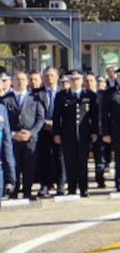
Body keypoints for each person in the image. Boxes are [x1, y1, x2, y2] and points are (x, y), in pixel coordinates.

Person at [53, 70, 99, 197]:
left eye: (77, 79)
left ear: (81, 80)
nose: (75, 81)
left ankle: (84, 188)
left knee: (83, 162)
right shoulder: (62, 96)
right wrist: (56, 133)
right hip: (68, 134)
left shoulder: (90, 95)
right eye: (72, 79)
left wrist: (94, 131)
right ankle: (72, 188)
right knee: (69, 162)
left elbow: (94, 116)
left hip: (84, 134)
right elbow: (57, 116)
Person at [4, 72, 45, 199]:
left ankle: (27, 191)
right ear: (12, 82)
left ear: (27, 82)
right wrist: (12, 134)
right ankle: (13, 191)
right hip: (12, 139)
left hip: (30, 139)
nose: (20, 82)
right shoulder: (5, 99)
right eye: (17, 79)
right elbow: (2, 120)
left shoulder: (35, 98)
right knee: (14, 165)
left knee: (29, 166)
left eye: (23, 79)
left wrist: (31, 132)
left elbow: (40, 118)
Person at [35, 67, 66, 197]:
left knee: (60, 158)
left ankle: (61, 184)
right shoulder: (37, 94)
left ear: (57, 77)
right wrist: (44, 123)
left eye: (52, 76)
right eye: (46, 76)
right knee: (44, 158)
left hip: (59, 130)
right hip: (43, 130)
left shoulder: (63, 92)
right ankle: (44, 185)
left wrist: (56, 124)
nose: (49, 78)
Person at [84, 73, 109, 189]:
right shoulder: (81, 95)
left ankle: (100, 179)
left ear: (95, 82)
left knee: (100, 157)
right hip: (84, 130)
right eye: (87, 81)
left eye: (91, 81)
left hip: (98, 131)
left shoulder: (102, 95)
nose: (89, 83)